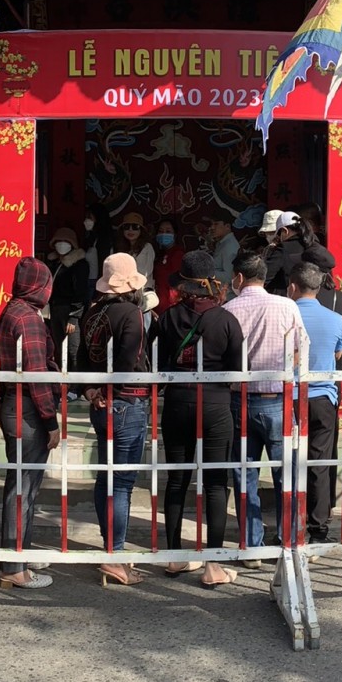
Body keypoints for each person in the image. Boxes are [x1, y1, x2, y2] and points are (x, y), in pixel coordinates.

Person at [148, 250, 241, 588]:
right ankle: (213, 564)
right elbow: (237, 368)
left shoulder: (167, 318)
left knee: (177, 480)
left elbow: (154, 359)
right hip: (216, 404)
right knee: (216, 483)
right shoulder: (226, 320)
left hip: (176, 401)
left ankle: (174, 555)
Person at [223, 252, 306, 555]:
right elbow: (299, 350)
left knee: (245, 476)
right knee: (287, 475)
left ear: (239, 278)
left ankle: (252, 546)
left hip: (240, 401)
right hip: (278, 401)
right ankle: (289, 540)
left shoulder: (229, 308)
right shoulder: (287, 306)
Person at [75, 252, 151, 586]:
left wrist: (92, 391)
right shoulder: (131, 313)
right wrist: (112, 389)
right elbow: (128, 360)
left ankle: (111, 549)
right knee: (121, 482)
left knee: (105, 479)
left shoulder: (91, 313)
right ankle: (116, 555)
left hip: (99, 402)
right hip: (126, 402)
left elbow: (80, 357)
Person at [0, 256, 58, 590]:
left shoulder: (10, 311)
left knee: (21, 485)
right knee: (23, 487)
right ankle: (14, 565)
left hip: (15, 407)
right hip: (29, 410)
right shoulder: (29, 319)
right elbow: (37, 375)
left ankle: (20, 551)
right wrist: (51, 420)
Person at [289, 262, 342, 543]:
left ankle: (288, 524)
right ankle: (318, 527)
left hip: (290, 397)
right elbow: (337, 354)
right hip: (323, 397)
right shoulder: (335, 319)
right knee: (319, 462)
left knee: (288, 460)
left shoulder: (286, 314)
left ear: (292, 286)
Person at [45, 227, 92, 365]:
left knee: (73, 349)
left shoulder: (80, 264)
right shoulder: (54, 263)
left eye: (66, 241)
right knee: (58, 348)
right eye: (58, 241)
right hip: (55, 309)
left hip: (70, 311)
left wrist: (74, 316)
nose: (62, 244)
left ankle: (76, 384)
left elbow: (81, 292)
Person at [113, 212, 157, 291]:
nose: (130, 230)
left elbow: (146, 272)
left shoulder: (147, 247)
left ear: (141, 230)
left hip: (143, 292)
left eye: (135, 227)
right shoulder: (118, 249)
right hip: (123, 292)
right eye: (126, 227)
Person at [152, 218, 185, 312]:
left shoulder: (178, 254)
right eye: (161, 231)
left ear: (175, 235)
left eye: (168, 231)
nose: (163, 234)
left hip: (170, 304)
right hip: (159, 301)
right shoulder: (160, 254)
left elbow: (178, 283)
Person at [205, 216, 240, 287]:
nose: (212, 227)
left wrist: (205, 271)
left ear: (227, 226)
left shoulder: (229, 246)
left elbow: (229, 277)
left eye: (216, 224)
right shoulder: (222, 243)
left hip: (226, 294)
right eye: (211, 224)